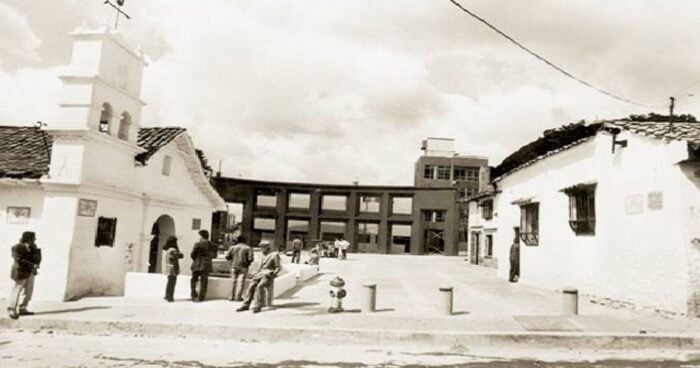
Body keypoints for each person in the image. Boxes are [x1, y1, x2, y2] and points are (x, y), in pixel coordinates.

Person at [236, 241, 281, 313]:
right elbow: (259, 267)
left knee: (259, 286)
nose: (261, 249)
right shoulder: (261, 256)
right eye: (261, 247)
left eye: (263, 247)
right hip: (259, 274)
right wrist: (254, 272)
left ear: (267, 247)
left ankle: (258, 305)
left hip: (268, 275)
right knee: (251, 286)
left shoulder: (274, 255)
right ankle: (246, 305)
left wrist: (273, 274)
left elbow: (278, 268)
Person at [7, 231, 42, 319]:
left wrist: (36, 262)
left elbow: (37, 257)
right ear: (28, 239)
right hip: (20, 271)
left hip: (30, 271)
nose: (35, 239)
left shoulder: (33, 247)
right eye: (33, 238)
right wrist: (32, 265)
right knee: (17, 290)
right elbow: (19, 260)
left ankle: (22, 308)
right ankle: (12, 309)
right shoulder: (18, 247)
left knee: (28, 291)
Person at [225, 234, 254, 301]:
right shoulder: (248, 248)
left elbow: (227, 257)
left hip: (234, 266)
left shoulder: (232, 247)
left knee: (233, 282)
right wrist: (247, 263)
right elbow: (250, 259)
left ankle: (231, 297)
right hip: (243, 267)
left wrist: (232, 261)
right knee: (241, 282)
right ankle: (238, 297)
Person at [190, 230, 215, 302]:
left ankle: (194, 295)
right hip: (206, 265)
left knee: (194, 280)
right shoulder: (212, 245)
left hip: (197, 264)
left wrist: (196, 259)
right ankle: (202, 297)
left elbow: (192, 254)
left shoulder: (197, 244)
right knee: (204, 281)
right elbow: (214, 255)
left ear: (202, 236)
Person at [163, 236, 184, 302]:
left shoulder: (168, 250)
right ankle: (170, 297)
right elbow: (180, 256)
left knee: (169, 283)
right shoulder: (173, 250)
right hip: (173, 268)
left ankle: (167, 295)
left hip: (168, 267)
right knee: (172, 283)